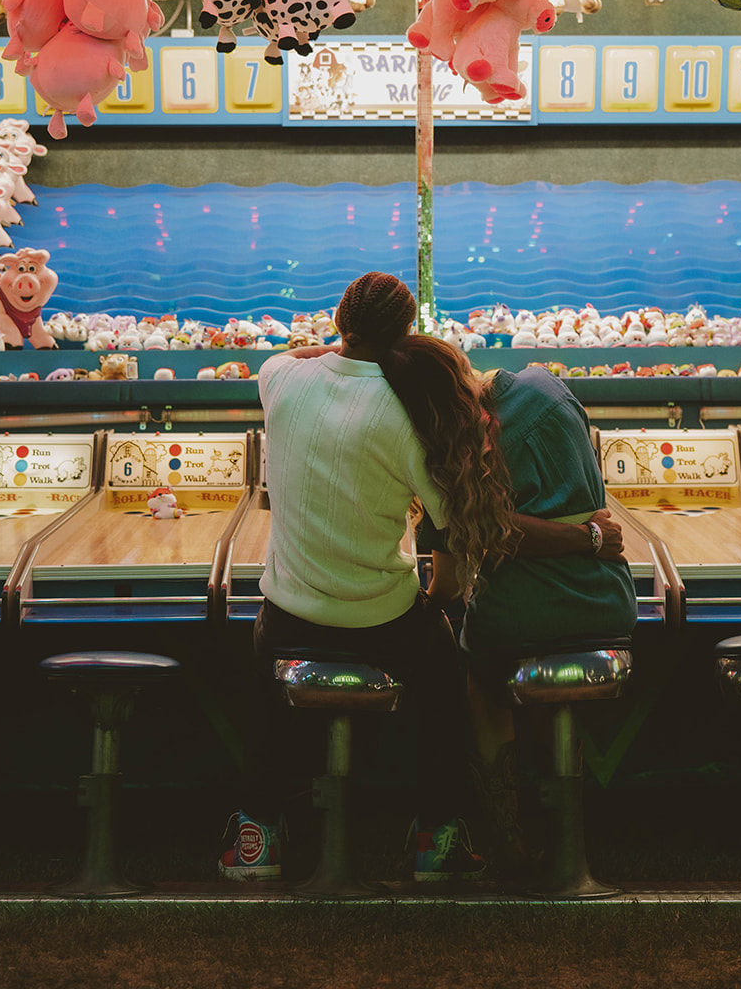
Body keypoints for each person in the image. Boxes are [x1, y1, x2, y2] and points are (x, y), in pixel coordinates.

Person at [219, 271, 519, 884]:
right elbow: (450, 541)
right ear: (405, 333)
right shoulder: (411, 412)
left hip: (290, 616)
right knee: (441, 676)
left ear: (337, 319)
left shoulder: (280, 379)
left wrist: (338, 345)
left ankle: (257, 832)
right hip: (382, 620)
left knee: (261, 674)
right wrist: (437, 599)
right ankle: (438, 838)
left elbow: (296, 355)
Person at [420, 362, 637, 873]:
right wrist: (589, 535)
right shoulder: (549, 387)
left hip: (516, 618)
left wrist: (425, 604)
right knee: (552, 676)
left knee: (482, 676)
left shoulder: (447, 450)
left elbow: (451, 581)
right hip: (607, 600)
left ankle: (507, 832)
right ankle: (566, 820)